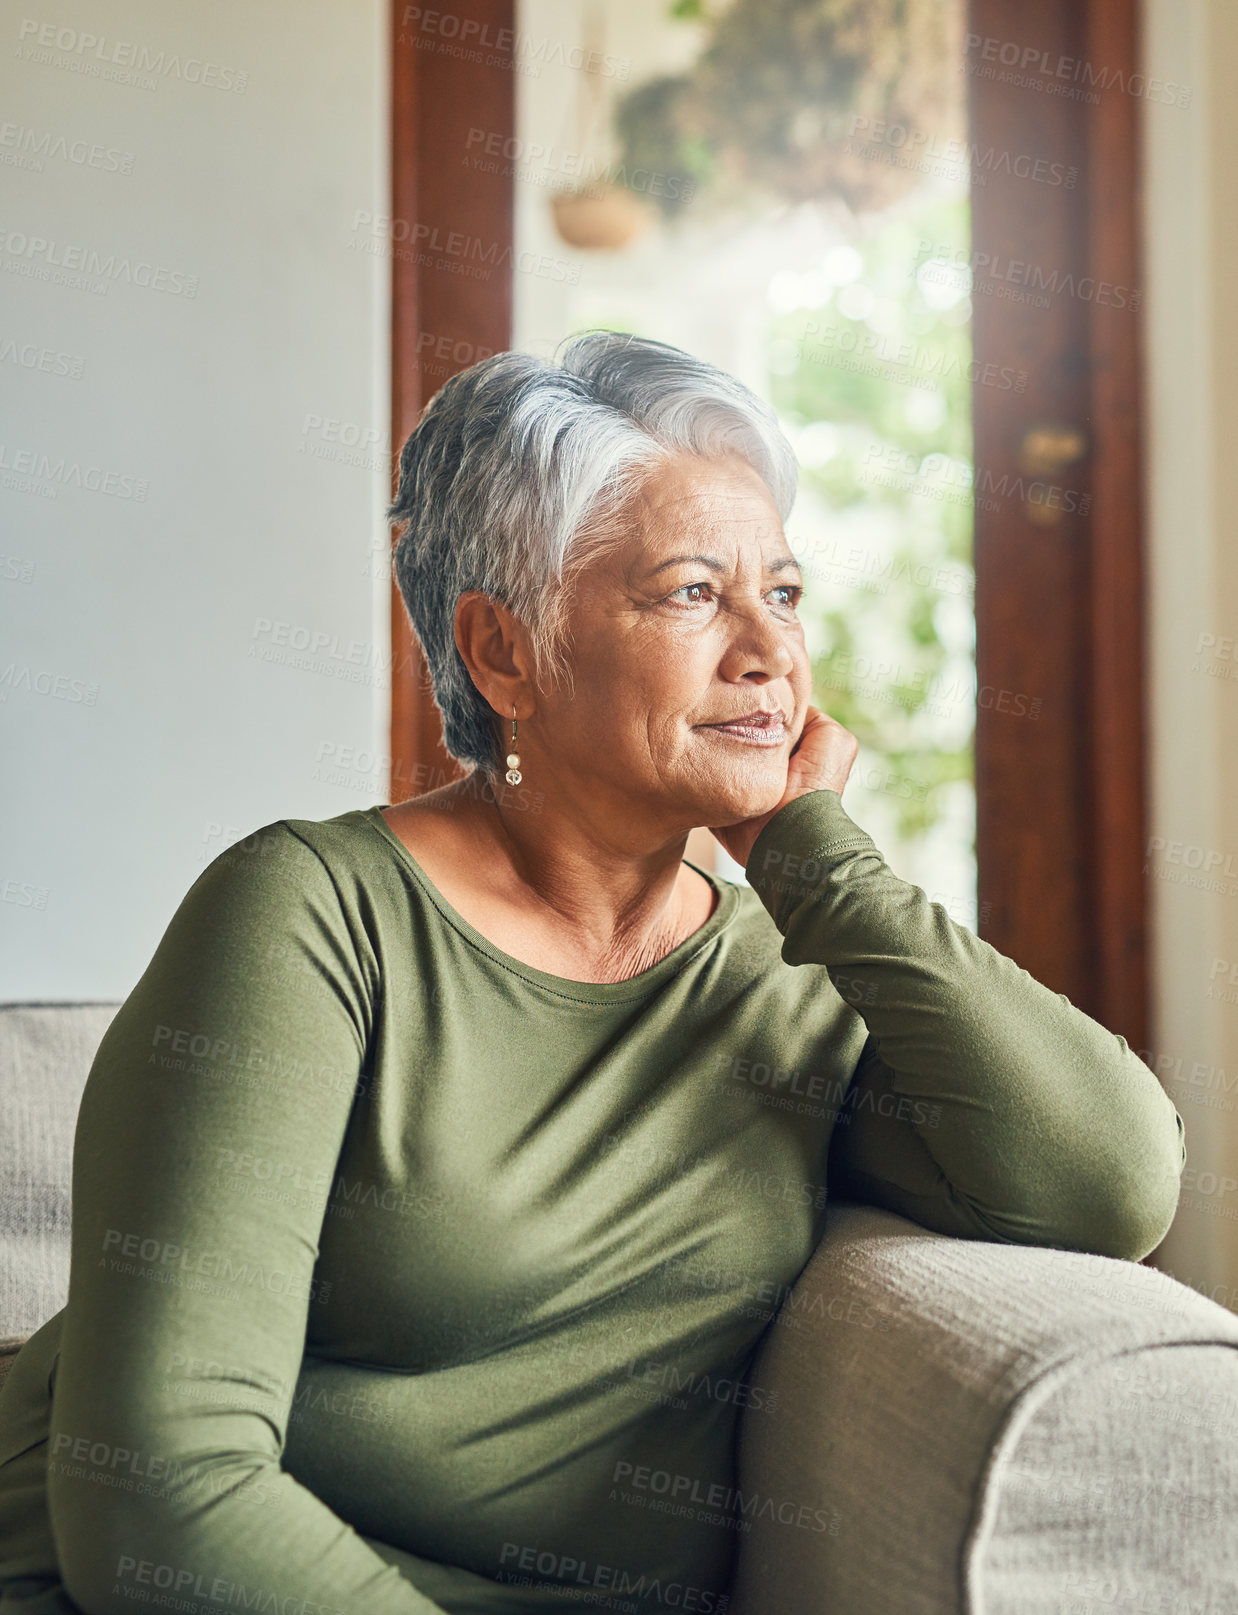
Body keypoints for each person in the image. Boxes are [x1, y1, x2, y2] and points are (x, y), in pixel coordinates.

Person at [0, 332, 1185, 1614]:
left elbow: (1107, 1183)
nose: (767, 654)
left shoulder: (788, 982)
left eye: (781, 594)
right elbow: (155, 1497)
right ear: (504, 653)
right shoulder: (309, 916)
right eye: (689, 593)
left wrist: (820, 869)